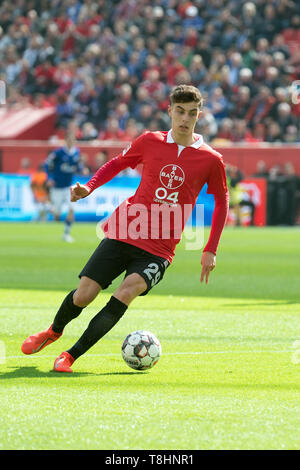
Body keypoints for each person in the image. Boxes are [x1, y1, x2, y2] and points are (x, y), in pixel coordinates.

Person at [21, 85, 229, 373]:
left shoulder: (211, 159)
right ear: (169, 111)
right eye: (179, 111)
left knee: (125, 292)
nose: (185, 119)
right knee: (84, 295)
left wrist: (210, 249)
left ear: (199, 115)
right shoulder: (150, 141)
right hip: (125, 231)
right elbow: (118, 163)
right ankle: (53, 331)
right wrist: (89, 187)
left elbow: (222, 201)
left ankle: (70, 356)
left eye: (192, 113)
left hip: (159, 249)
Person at [44, 131, 84, 242]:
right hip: (57, 186)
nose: (72, 142)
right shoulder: (58, 153)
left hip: (68, 187)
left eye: (73, 140)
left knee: (72, 209)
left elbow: (78, 165)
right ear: (66, 140)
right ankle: (47, 208)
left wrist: (82, 170)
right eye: (70, 140)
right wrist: (50, 178)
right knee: (57, 214)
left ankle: (66, 234)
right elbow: (47, 164)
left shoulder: (76, 152)